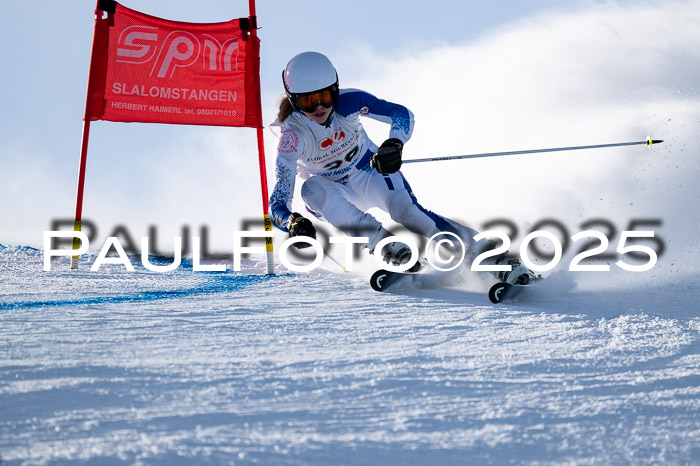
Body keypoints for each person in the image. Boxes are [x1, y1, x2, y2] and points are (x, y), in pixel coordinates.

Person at [269, 51, 532, 284]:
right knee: (312, 189)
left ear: (335, 89)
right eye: (307, 101)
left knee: (408, 212)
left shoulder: (349, 102)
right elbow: (278, 203)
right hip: (333, 194)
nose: (318, 107)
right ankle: (386, 246)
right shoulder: (292, 137)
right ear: (294, 101)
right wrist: (293, 222)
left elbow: (401, 114)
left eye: (325, 96)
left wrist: (394, 144)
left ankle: (487, 254)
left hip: (369, 170)